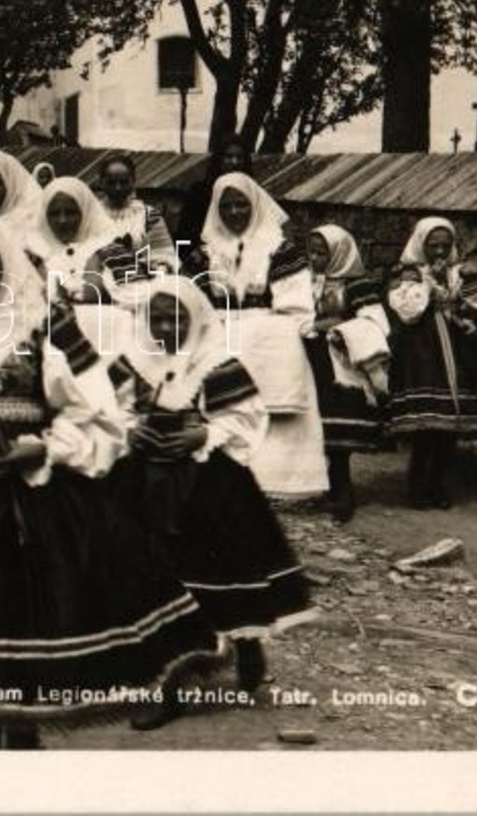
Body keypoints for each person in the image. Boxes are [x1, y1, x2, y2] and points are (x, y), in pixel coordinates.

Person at [0, 208, 220, 748]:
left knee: (33, 659)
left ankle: (25, 763)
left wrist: (46, 449)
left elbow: (96, 413)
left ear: (8, 262)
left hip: (38, 503)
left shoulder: (44, 319)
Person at [105, 273, 316, 722]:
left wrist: (205, 431)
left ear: (195, 318)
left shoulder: (216, 362)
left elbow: (246, 417)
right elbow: (108, 409)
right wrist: (131, 427)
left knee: (214, 570)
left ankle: (245, 642)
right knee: (154, 578)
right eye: (155, 318)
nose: (164, 328)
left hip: (205, 484)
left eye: (175, 318)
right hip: (144, 479)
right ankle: (167, 680)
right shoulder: (132, 361)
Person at [195, 173, 328, 499]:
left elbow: (296, 304)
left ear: (254, 205)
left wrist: (271, 331)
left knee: (273, 414)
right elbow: (195, 299)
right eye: (226, 205)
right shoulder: (207, 250)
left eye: (241, 204)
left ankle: (278, 481)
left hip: (270, 336)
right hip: (222, 332)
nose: (234, 212)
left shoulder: (277, 247)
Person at [385, 217, 477, 509]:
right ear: (421, 244)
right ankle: (416, 487)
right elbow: (407, 311)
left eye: (445, 246)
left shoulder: (459, 274)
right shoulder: (407, 273)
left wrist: (469, 317)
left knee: (449, 428)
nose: (439, 251)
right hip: (420, 353)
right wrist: (428, 283)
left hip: (457, 351)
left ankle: (437, 486)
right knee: (426, 426)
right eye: (433, 245)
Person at [303, 225, 392, 523]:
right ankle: (328, 487)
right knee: (317, 426)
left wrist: (339, 328)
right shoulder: (308, 281)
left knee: (336, 427)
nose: (315, 258)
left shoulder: (356, 286)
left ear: (339, 253)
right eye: (312, 252)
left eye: (321, 253)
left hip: (339, 362)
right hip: (309, 357)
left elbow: (374, 322)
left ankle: (343, 491)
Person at [26, 176, 127, 304]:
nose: (62, 220)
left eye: (71, 212)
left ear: (85, 212)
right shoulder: (33, 251)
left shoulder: (109, 246)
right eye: (54, 214)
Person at [96, 154, 180, 274]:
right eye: (111, 182)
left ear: (133, 181)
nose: (118, 188)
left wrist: (153, 267)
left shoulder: (148, 215)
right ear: (101, 182)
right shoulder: (90, 214)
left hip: (140, 277)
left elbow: (164, 252)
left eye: (124, 182)